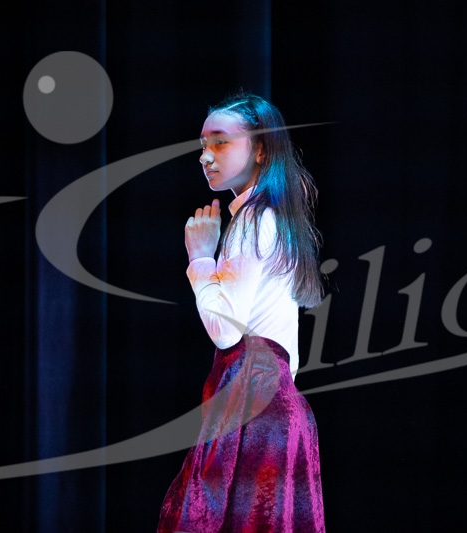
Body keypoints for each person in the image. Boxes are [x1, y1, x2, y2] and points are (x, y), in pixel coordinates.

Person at [157, 92, 326, 532]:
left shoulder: (254, 220)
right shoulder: (274, 219)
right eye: (202, 145)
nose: (205, 156)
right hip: (275, 405)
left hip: (256, 405)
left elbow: (225, 331)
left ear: (261, 148)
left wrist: (200, 257)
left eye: (220, 142)